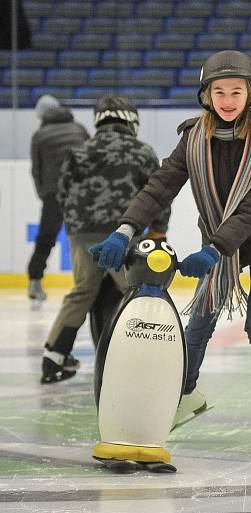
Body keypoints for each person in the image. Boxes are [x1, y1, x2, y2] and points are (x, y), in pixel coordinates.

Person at [89, 50, 251, 449]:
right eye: (220, 91)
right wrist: (124, 229)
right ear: (207, 96)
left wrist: (215, 249)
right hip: (217, 242)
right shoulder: (193, 138)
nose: (228, 100)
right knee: (198, 324)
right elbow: (160, 186)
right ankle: (183, 397)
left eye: (237, 91)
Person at [41, 95, 168, 384]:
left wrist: (78, 224)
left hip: (81, 234)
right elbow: (159, 194)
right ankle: (132, 357)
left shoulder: (79, 150)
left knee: (82, 291)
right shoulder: (141, 151)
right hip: (122, 234)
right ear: (131, 121)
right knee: (132, 292)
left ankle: (54, 357)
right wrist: (159, 230)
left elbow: (61, 192)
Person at [28, 95, 89, 302]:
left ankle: (35, 281)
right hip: (81, 191)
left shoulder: (39, 135)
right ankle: (90, 281)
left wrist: (43, 194)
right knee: (86, 237)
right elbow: (91, 158)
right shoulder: (78, 128)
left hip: (53, 193)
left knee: (45, 238)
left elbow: (36, 169)